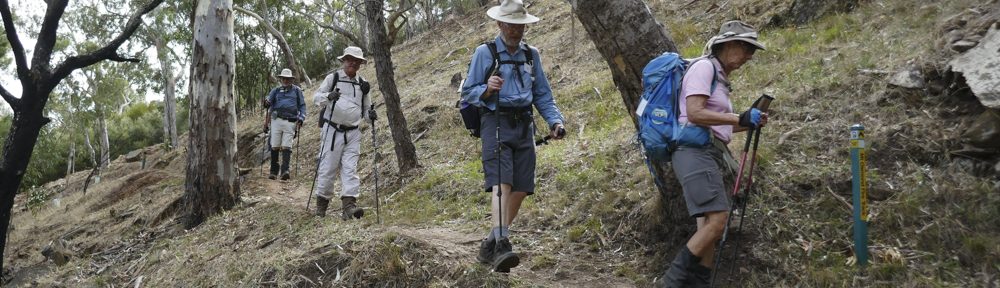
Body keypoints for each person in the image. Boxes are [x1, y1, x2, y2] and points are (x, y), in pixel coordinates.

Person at [660, 20, 768, 287]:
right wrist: (738, 116)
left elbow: (719, 125)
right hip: (694, 151)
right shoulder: (704, 68)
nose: (749, 56)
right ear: (729, 44)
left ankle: (700, 283)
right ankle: (671, 281)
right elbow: (695, 113)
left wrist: (748, 123)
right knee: (718, 221)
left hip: (706, 151)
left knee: (708, 224)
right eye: (747, 48)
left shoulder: (719, 78)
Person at [460, 0, 566, 273]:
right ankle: (502, 244)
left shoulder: (531, 55)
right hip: (495, 121)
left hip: (524, 124)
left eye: (520, 26)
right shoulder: (485, 52)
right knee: (502, 182)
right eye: (511, 25)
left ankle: (489, 244)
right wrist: (486, 89)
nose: (516, 30)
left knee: (521, 187)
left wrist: (555, 121)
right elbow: (468, 92)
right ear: (499, 24)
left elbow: (542, 94)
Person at [311, 46, 375, 220]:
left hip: (353, 133)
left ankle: (349, 207)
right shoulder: (333, 78)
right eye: (349, 59)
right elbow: (316, 98)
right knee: (328, 168)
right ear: (344, 61)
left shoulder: (363, 84)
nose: (353, 63)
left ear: (360, 64)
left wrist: (371, 115)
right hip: (332, 130)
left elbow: (366, 111)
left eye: (357, 61)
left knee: (350, 169)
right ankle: (321, 207)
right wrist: (328, 96)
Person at [263, 68, 306, 181]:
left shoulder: (297, 91)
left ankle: (285, 171)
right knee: (275, 145)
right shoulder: (275, 91)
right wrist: (266, 103)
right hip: (276, 120)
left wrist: (301, 118)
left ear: (291, 80)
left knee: (287, 145)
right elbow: (269, 103)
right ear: (281, 79)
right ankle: (273, 172)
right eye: (283, 79)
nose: (285, 81)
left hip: (291, 120)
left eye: (288, 79)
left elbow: (302, 106)